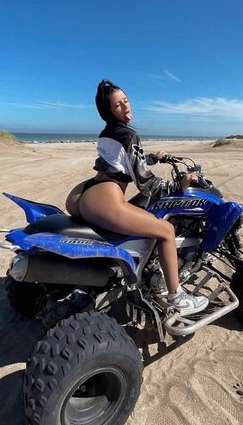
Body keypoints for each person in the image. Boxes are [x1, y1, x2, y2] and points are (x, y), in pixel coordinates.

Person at [65, 79, 209, 316]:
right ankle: (177, 297)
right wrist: (179, 184)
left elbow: (119, 163)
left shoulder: (107, 132)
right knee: (166, 230)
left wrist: (152, 158)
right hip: (105, 196)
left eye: (126, 101)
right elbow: (147, 185)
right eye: (118, 105)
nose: (125, 107)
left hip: (84, 192)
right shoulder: (129, 134)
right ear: (109, 111)